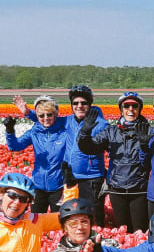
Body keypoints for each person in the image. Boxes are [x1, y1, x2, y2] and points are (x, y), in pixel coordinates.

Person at [16, 85, 108, 224]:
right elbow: (48, 119)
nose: (79, 106)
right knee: (74, 216)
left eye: (84, 103)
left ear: (90, 104)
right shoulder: (68, 121)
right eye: (75, 103)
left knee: (93, 217)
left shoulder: (100, 124)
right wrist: (28, 112)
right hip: (71, 177)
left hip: (91, 178)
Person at [76, 92, 152, 233]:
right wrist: (85, 132)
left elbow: (152, 161)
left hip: (139, 189)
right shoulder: (111, 131)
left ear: (139, 109)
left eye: (134, 106)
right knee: (123, 231)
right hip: (117, 189)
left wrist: (145, 145)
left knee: (140, 231)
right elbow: (89, 148)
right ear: (121, 109)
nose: (130, 109)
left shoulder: (149, 131)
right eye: (126, 106)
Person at [4, 95, 70, 213]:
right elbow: (14, 146)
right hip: (38, 186)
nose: (46, 118)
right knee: (36, 221)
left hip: (59, 187)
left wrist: (29, 113)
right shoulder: (34, 132)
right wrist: (10, 131)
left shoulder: (65, 130)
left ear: (55, 114)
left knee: (58, 223)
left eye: (49, 114)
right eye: (41, 115)